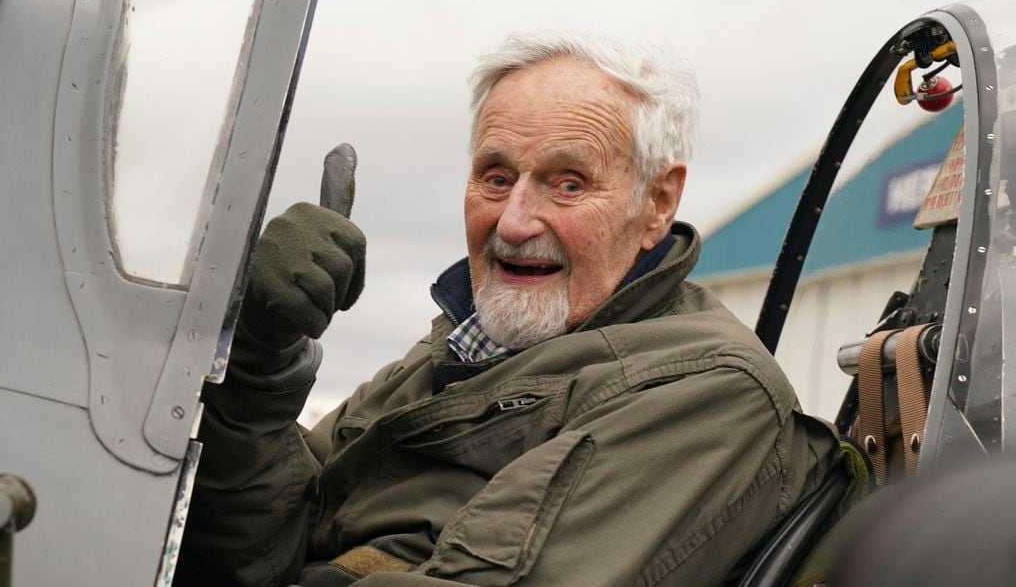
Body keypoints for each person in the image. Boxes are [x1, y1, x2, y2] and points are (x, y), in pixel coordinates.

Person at [175, 32, 840, 586]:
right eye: (496, 178)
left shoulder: (707, 391)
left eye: (568, 183)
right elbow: (258, 553)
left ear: (658, 203)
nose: (516, 222)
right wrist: (263, 359)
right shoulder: (463, 347)